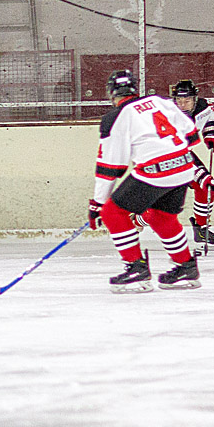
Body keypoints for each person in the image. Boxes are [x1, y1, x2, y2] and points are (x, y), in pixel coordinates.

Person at [89, 70, 205, 293]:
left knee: (112, 212)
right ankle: (186, 267)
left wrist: (97, 203)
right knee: (162, 216)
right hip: (184, 167)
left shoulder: (115, 117)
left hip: (156, 170)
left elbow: (110, 168)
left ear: (111, 93)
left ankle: (135, 269)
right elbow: (192, 136)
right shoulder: (161, 101)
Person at [168, 79, 214, 246]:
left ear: (195, 99)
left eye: (187, 100)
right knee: (161, 207)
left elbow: (208, 121)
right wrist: (200, 174)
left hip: (184, 153)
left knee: (207, 187)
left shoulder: (202, 107)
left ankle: (201, 229)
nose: (182, 105)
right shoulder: (166, 113)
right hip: (165, 158)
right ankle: (135, 222)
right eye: (179, 100)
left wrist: (211, 133)